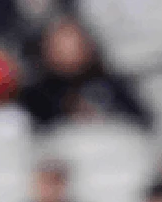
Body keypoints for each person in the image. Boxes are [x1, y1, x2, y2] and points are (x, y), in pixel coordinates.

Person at [20, 16, 153, 130]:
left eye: (74, 43)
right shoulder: (36, 95)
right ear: (46, 51)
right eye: (61, 46)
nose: (69, 51)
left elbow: (141, 121)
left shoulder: (113, 85)